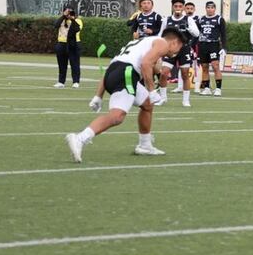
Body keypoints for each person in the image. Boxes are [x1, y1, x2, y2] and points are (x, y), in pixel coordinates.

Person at [65, 27, 186, 162]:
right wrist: (152, 91)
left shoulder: (141, 43)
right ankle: (80, 138)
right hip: (127, 75)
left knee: (147, 105)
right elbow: (146, 63)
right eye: (179, 47)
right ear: (175, 42)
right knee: (117, 117)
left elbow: (114, 66)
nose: (177, 52)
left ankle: (145, 145)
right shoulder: (162, 43)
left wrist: (98, 95)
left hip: (114, 72)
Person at [165, 0, 200, 107]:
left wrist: (188, 28)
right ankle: (162, 98)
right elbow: (160, 34)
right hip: (169, 49)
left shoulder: (188, 19)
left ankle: (186, 100)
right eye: (176, 6)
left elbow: (197, 34)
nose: (178, 8)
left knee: (185, 74)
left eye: (180, 6)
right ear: (172, 7)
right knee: (163, 73)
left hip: (184, 49)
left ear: (183, 8)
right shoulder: (167, 19)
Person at [196, 1, 227, 96]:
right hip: (202, 45)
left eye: (212, 7)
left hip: (213, 45)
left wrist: (224, 47)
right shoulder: (201, 19)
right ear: (205, 8)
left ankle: (218, 88)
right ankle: (206, 88)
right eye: (208, 7)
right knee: (204, 67)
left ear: (215, 9)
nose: (210, 9)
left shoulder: (219, 19)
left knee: (215, 66)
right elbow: (196, 33)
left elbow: (223, 34)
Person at [54, 7, 83, 88]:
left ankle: (76, 81)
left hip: (73, 44)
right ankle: (61, 81)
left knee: (75, 64)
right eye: (67, 12)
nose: (69, 14)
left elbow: (77, 29)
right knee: (62, 64)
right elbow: (56, 25)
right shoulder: (61, 20)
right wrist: (63, 16)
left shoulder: (78, 21)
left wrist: (72, 19)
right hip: (61, 44)